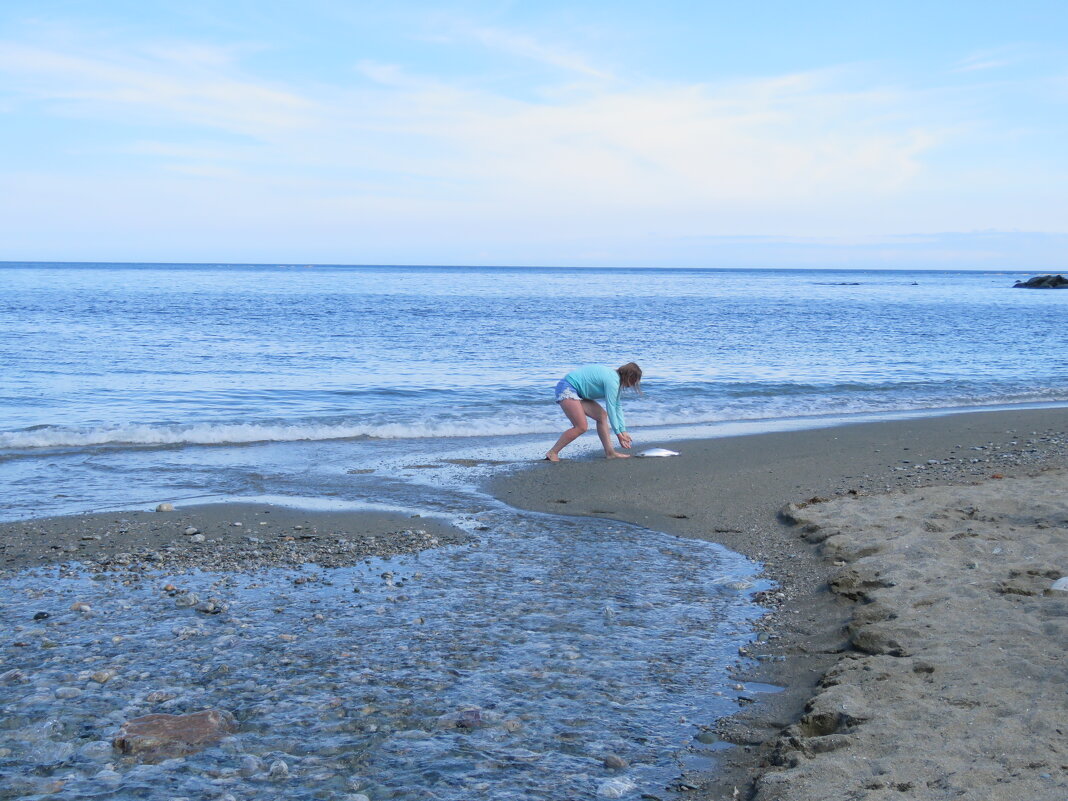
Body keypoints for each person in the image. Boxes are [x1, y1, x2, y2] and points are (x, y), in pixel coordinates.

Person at [545, 362, 642, 461]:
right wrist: (619, 435)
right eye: (634, 381)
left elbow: (617, 406)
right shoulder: (613, 380)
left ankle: (610, 453)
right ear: (629, 376)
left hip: (577, 392)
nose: (633, 385)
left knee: (601, 415)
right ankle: (552, 453)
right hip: (567, 388)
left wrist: (623, 431)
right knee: (581, 427)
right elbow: (611, 408)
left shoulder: (615, 380)